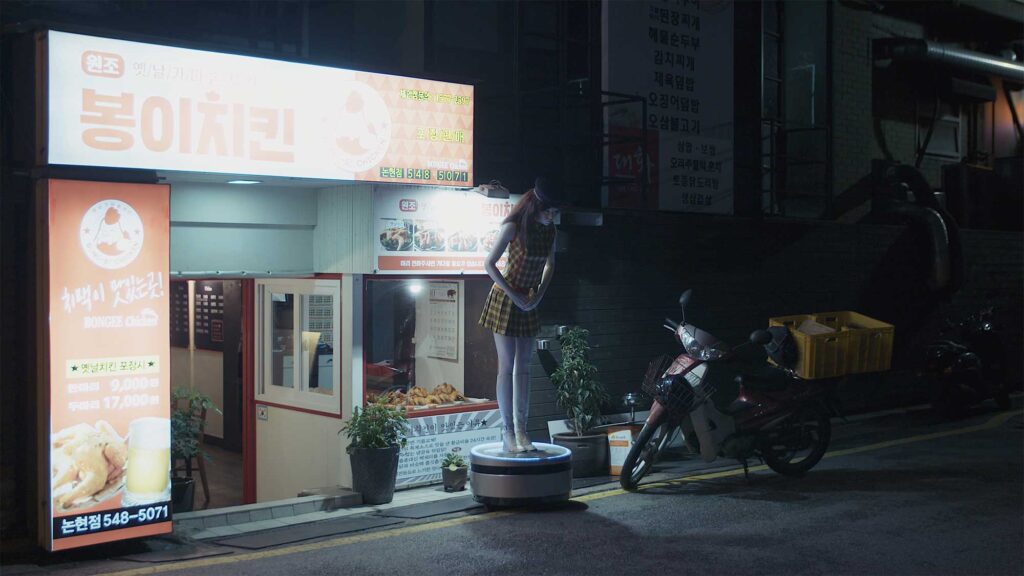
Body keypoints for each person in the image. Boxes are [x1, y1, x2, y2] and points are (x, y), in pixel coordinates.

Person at [479, 177, 562, 453]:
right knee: (507, 366)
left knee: (524, 368)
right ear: (536, 206)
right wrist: (514, 294)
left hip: (529, 297)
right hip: (505, 297)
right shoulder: (514, 226)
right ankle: (507, 432)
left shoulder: (550, 231)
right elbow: (489, 264)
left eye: (555, 212)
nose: (551, 216)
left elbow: (551, 265)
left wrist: (539, 294)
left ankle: (523, 431)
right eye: (548, 210)